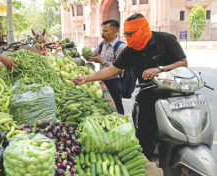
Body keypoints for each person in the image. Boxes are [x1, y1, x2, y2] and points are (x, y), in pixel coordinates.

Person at [71, 13, 188, 160]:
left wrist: (160, 69)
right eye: (125, 34)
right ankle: (148, 161)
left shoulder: (165, 40)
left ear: (142, 30)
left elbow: (183, 63)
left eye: (131, 34)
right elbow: (111, 70)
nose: (127, 38)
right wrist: (86, 78)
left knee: (180, 132)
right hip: (147, 95)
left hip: (172, 95)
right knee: (144, 137)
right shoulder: (130, 49)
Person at [85, 19, 127, 115]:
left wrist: (101, 61)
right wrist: (86, 55)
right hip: (103, 81)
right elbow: (92, 55)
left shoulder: (121, 47)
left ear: (114, 32)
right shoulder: (103, 44)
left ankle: (122, 123)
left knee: (117, 108)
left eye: (105, 31)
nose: (102, 33)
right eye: (102, 30)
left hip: (114, 83)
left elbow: (119, 68)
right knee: (107, 109)